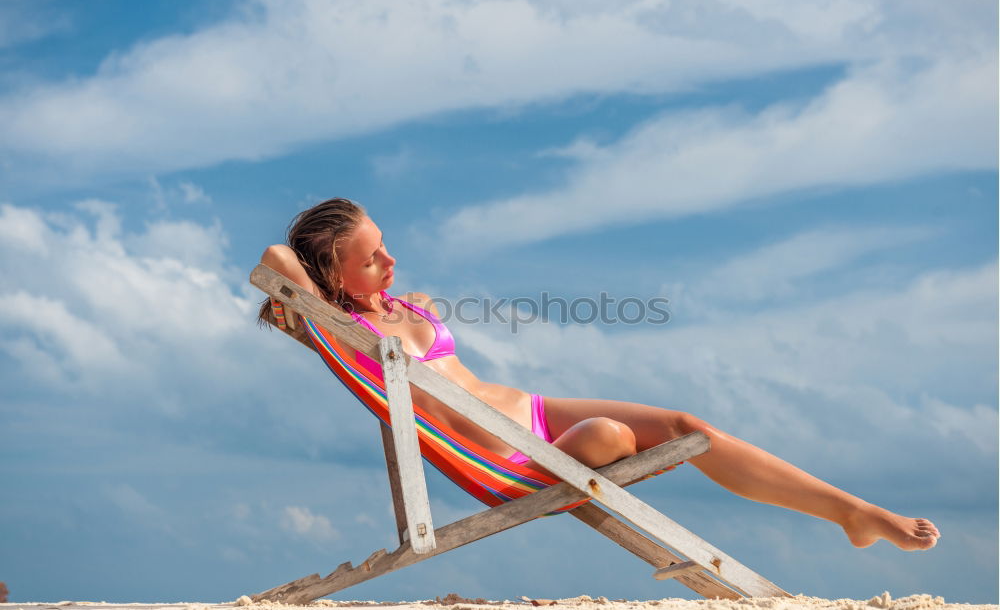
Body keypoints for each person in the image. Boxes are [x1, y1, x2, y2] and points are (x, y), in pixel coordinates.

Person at [258, 197, 940, 552]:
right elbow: (276, 258)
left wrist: (368, 280)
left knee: (686, 426)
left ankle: (853, 512)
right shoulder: (344, 336)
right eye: (373, 258)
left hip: (533, 414)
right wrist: (318, 290)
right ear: (332, 274)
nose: (392, 264)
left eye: (387, 248)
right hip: (506, 459)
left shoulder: (408, 307)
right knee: (611, 435)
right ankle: (851, 512)